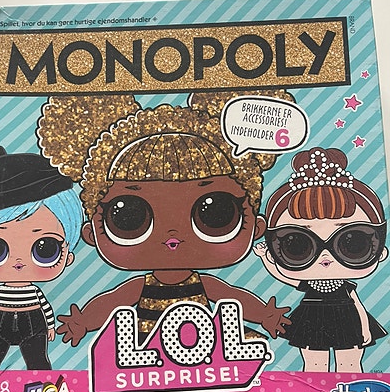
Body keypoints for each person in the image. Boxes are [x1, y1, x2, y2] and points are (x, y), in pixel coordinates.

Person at [36, 90, 293, 347]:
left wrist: (264, 315)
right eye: (129, 218)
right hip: (147, 348)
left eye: (216, 215)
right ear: (91, 233)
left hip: (204, 349)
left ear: (257, 227)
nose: (172, 238)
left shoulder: (204, 285)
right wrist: (83, 322)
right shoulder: (141, 287)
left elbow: (233, 298)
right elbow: (112, 301)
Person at [254, 147, 387, 372]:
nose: (326, 257)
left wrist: (365, 329)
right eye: (297, 245)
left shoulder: (345, 288)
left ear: (379, 249)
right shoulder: (311, 285)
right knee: (314, 364)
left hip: (347, 321)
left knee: (350, 364)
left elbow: (358, 305)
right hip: (313, 321)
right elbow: (282, 275)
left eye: (353, 243)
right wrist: (266, 258)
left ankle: (352, 391)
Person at [0, 147, 83, 370]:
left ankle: (47, 388)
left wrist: (51, 326)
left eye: (46, 249)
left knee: (38, 362)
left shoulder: (35, 293)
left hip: (32, 322)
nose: (19, 262)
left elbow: (45, 308)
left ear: (68, 256)